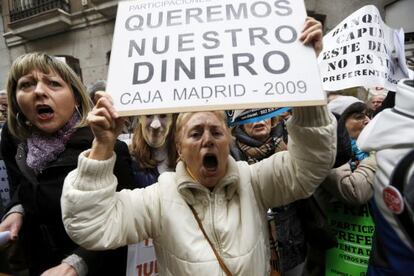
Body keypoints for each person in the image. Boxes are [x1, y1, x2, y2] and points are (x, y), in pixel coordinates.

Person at [61, 17, 337, 275]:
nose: (207, 139)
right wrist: (102, 146)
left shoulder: (253, 182)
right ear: (179, 148)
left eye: (216, 131)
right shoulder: (157, 199)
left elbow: (309, 166)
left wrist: (308, 81)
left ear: (228, 141)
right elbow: (91, 225)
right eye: (195, 133)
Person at [0, 52, 135, 276]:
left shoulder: (105, 147)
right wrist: (16, 211)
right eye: (26, 85)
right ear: (16, 99)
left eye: (53, 83)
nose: (39, 91)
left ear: (76, 96)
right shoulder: (16, 143)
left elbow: (125, 221)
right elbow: (21, 188)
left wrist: (78, 263)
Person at [230, 111, 306, 276]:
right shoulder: (230, 152)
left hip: (292, 239)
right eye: (250, 115)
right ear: (240, 123)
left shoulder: (289, 141)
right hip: (250, 244)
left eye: (263, 113)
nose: (258, 120)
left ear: (273, 118)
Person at [126, 113, 177, 276]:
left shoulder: (188, 160)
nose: (155, 124)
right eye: (148, 116)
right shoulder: (126, 159)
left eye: (163, 116)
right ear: (139, 119)